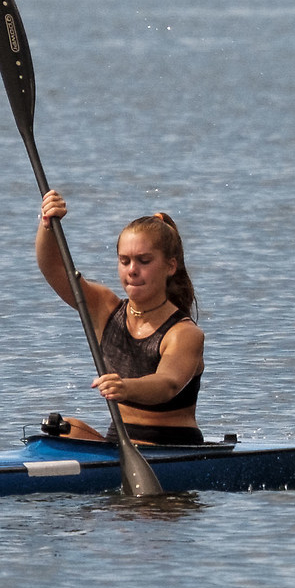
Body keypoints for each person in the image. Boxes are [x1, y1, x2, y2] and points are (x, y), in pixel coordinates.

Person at [36, 191, 206, 447]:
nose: (132, 270)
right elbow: (54, 270)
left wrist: (126, 388)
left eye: (144, 261)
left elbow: (167, 384)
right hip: (119, 444)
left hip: (171, 447)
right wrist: (47, 225)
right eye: (124, 261)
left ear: (170, 266)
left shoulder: (184, 333)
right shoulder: (104, 307)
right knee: (64, 429)